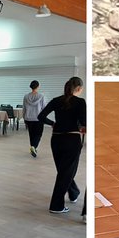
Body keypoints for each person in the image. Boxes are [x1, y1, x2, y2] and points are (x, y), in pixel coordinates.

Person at [39, 77, 85, 214]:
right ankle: (56, 205)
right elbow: (84, 122)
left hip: (56, 139)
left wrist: (53, 124)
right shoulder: (80, 102)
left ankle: (74, 192)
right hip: (72, 139)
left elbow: (41, 116)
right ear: (78, 89)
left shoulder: (56, 100)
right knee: (66, 171)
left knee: (64, 170)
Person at [22, 80, 47, 158]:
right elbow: (44, 107)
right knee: (38, 134)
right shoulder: (41, 96)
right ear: (38, 86)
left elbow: (24, 108)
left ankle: (33, 147)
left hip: (28, 118)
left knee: (31, 134)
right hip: (38, 118)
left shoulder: (26, 96)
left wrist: (24, 117)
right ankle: (34, 147)